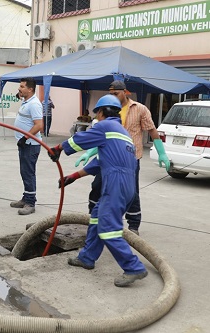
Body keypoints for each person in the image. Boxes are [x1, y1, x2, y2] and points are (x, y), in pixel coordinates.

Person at [48, 95, 148, 287]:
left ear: (101, 112)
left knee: (107, 229)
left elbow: (80, 139)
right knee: (96, 217)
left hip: (115, 184)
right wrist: (73, 176)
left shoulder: (105, 126)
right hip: (128, 186)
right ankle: (87, 257)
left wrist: (59, 147)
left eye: (97, 114)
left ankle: (133, 267)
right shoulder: (123, 134)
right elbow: (100, 163)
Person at [76, 80, 170, 235]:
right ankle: (92, 217)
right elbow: (102, 135)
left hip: (130, 159)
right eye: (110, 94)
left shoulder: (139, 109)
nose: (113, 96)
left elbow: (152, 131)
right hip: (108, 158)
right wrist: (89, 152)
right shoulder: (107, 110)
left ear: (125, 92)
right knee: (97, 186)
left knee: (131, 192)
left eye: (116, 93)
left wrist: (162, 153)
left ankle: (133, 225)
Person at [10, 77, 43, 215]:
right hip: (25, 144)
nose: (19, 89)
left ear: (30, 89)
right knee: (24, 172)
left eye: (22, 87)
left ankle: (30, 203)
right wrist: (21, 95)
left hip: (30, 144)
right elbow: (21, 97)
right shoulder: (26, 100)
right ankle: (26, 197)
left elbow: (39, 125)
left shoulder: (34, 104)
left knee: (28, 173)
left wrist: (25, 137)